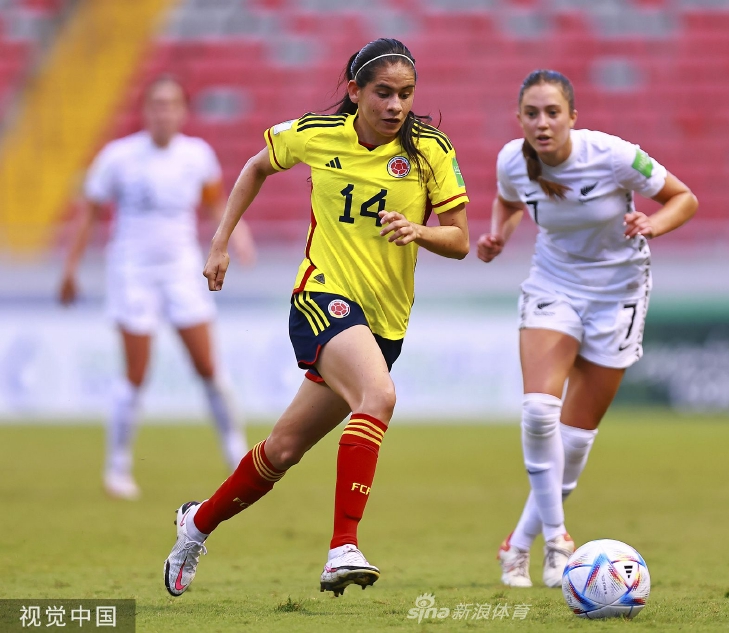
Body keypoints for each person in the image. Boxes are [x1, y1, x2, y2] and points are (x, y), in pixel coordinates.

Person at [162, 38, 470, 598]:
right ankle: (342, 548)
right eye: (383, 93)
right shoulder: (314, 133)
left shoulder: (430, 150)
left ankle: (197, 523)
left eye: (405, 94)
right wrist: (220, 243)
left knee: (282, 450)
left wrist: (420, 230)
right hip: (321, 296)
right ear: (354, 91)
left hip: (384, 322)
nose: (396, 105)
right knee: (379, 396)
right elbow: (256, 167)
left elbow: (460, 240)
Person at [477, 69, 698, 588]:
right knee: (538, 411)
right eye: (532, 113)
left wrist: (652, 224)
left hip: (618, 293)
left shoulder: (615, 155)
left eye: (553, 112)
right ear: (520, 119)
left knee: (573, 442)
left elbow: (684, 198)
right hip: (553, 285)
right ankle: (557, 539)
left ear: (573, 117)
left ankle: (517, 544)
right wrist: (498, 235)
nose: (542, 122)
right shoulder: (512, 160)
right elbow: (509, 202)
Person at [59, 75, 255, 501]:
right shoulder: (118, 157)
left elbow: (214, 202)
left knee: (208, 367)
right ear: (145, 111)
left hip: (182, 271)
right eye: (156, 104)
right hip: (132, 272)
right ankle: (118, 467)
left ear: (182, 112)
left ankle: (235, 450)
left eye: (171, 104)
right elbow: (89, 215)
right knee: (135, 374)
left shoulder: (196, 155)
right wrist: (70, 269)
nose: (163, 112)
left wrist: (236, 237)